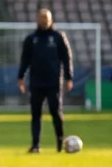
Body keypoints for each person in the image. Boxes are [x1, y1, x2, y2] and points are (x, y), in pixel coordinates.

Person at [18, 8, 72, 153]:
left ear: (51, 20)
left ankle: (60, 144)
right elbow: (25, 60)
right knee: (36, 114)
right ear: (38, 20)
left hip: (53, 83)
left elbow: (66, 58)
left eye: (46, 19)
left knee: (56, 113)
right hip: (36, 83)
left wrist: (69, 77)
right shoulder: (31, 39)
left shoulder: (58, 37)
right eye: (42, 19)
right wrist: (20, 76)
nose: (44, 21)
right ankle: (35, 145)